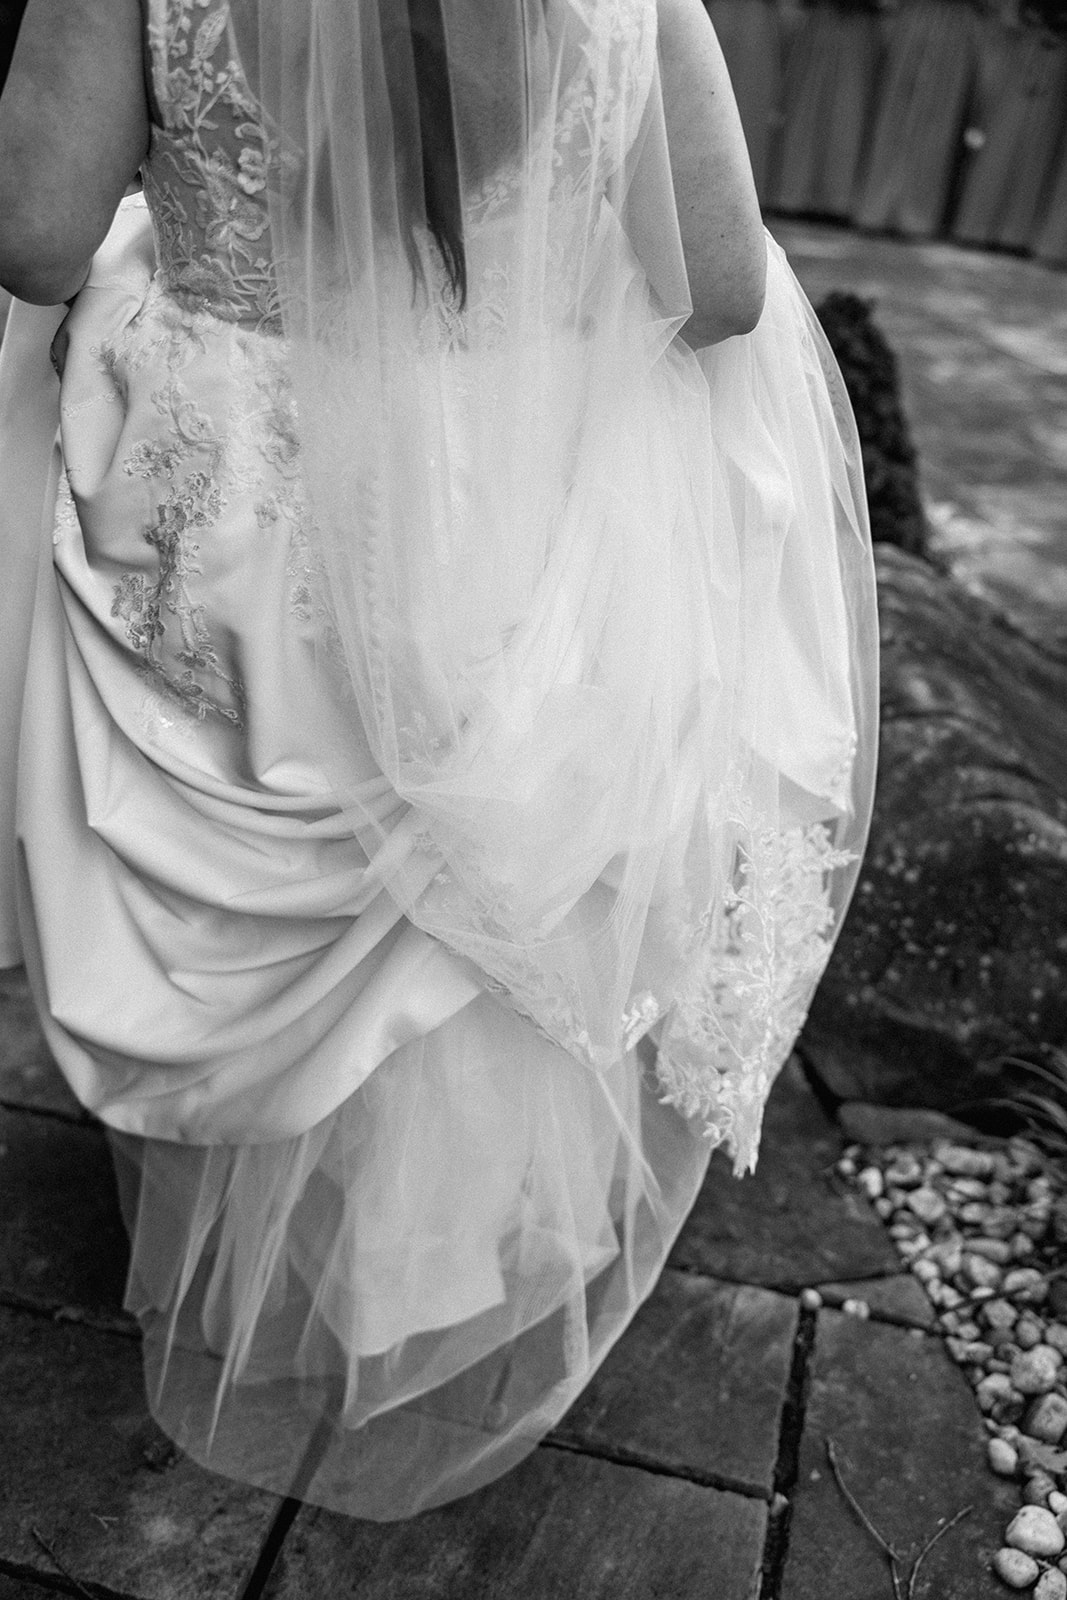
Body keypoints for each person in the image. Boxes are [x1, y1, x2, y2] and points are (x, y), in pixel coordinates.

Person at [0, 0, 878, 1520]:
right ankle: (427, 1277)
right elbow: (718, 288)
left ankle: (266, 1237)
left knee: (296, 784)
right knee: (471, 881)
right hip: (497, 469)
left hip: (239, 477)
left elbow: (32, 233)